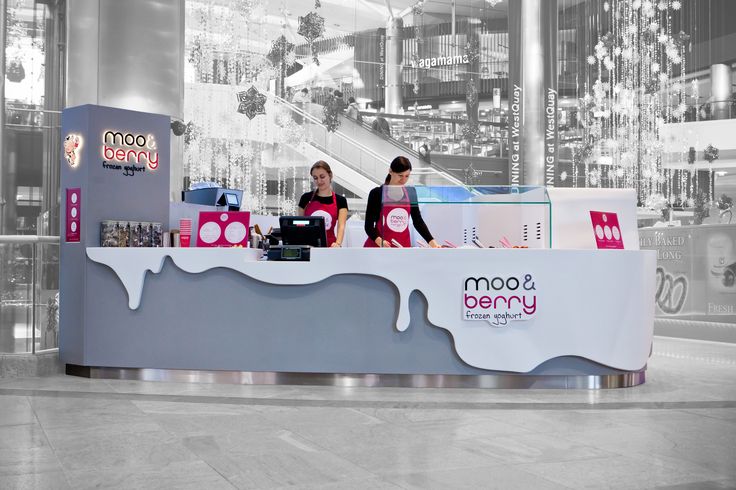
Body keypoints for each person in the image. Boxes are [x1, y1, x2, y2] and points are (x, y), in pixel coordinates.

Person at [363, 156, 440, 248]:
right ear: (390, 171)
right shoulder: (377, 193)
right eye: (400, 175)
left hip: (403, 247)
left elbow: (418, 221)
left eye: (407, 176)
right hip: (379, 247)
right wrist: (379, 241)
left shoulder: (411, 192)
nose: (404, 180)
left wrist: (432, 242)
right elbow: (369, 226)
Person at [298, 161, 349, 247]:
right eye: (315, 178)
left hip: (330, 247)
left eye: (322, 177)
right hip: (308, 247)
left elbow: (341, 226)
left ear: (330, 175)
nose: (319, 181)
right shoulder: (305, 198)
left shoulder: (341, 201)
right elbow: (299, 225)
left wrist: (338, 244)